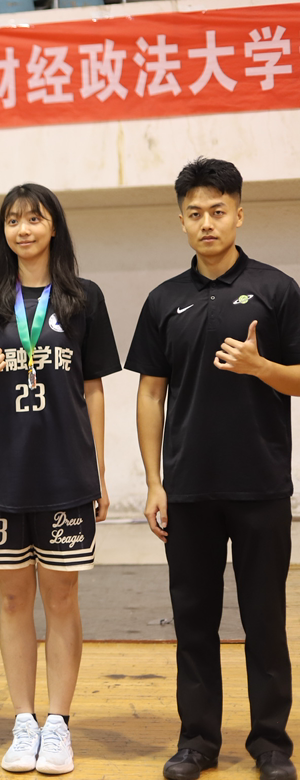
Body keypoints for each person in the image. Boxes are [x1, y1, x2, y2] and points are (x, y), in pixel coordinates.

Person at [126, 158, 298, 780]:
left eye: (218, 211)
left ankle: (271, 743)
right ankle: (197, 741)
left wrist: (261, 368)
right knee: (193, 622)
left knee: (265, 621)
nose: (207, 223)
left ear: (239, 214)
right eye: (195, 213)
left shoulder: (278, 290)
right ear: (181, 221)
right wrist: (154, 482)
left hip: (261, 486)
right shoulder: (164, 300)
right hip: (188, 490)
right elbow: (150, 393)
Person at [0, 184, 119, 775]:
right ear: (3, 231)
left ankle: (58, 723)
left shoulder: (83, 298)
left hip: (65, 470)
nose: (23, 229)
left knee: (62, 597)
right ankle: (23, 720)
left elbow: (93, 389)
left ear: (54, 227)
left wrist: (99, 471)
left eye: (34, 218)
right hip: (3, 471)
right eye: (13, 220)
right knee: (12, 599)